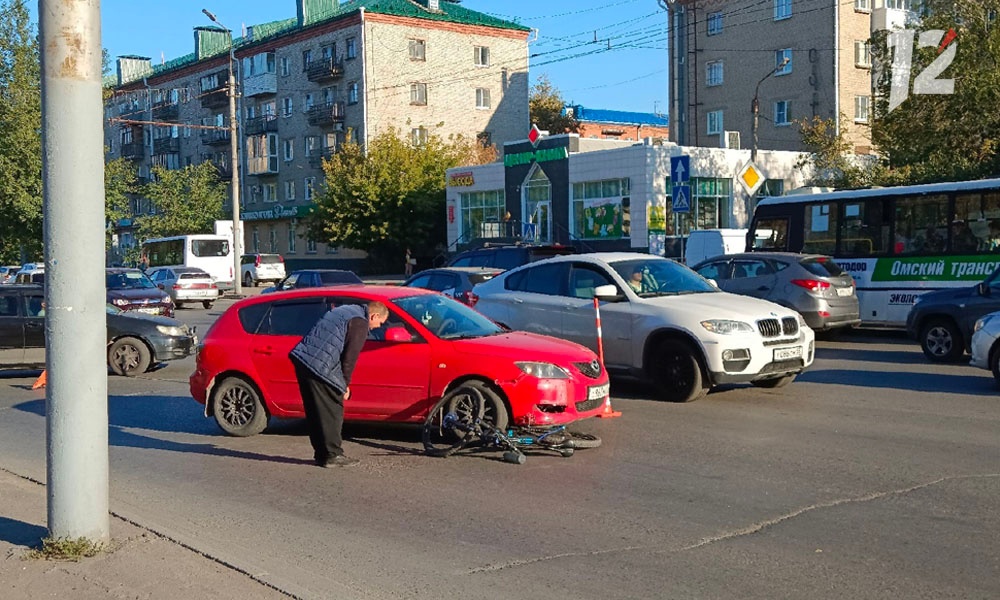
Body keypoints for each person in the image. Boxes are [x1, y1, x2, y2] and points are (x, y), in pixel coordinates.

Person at [289, 301, 390, 467]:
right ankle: (332, 455)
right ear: (374, 316)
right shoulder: (360, 323)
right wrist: (344, 384)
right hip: (320, 365)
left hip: (303, 358)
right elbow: (349, 359)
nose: (376, 327)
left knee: (316, 411)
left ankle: (322, 454)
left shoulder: (347, 309)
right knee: (333, 409)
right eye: (379, 323)